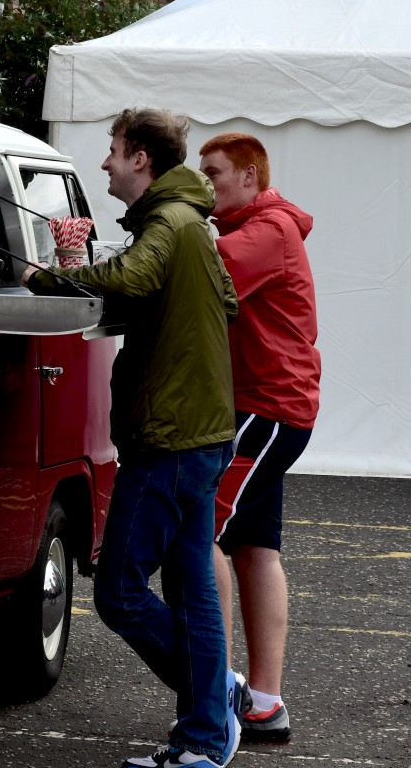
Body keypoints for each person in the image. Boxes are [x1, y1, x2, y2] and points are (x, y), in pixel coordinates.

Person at [22, 108, 248, 768]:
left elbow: (132, 278)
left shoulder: (171, 223)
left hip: (171, 440)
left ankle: (210, 703)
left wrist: (52, 276)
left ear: (142, 159)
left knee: (120, 589)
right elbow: (219, 300)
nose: (106, 161)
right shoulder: (189, 224)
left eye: (114, 150)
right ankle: (204, 734)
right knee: (191, 588)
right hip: (200, 433)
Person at [199, 133, 320, 744]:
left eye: (213, 173)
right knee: (254, 547)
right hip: (274, 409)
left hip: (266, 410)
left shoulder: (267, 231)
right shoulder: (264, 224)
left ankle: (213, 696)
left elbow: (198, 272)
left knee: (201, 531)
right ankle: (265, 703)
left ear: (249, 175)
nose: (204, 183)